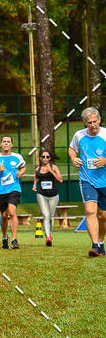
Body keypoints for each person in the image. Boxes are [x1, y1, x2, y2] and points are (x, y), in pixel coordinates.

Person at [68, 106, 106, 257]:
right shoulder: (79, 135)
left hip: (104, 180)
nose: (93, 125)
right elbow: (72, 149)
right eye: (89, 122)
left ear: (99, 120)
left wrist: (105, 160)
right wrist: (73, 158)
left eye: (95, 121)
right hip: (86, 179)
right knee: (90, 211)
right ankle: (95, 245)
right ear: (85, 123)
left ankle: (101, 242)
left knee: (103, 216)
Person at [0, 136, 26, 249]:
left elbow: (23, 167)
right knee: (4, 215)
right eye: (4, 142)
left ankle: (14, 239)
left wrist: (20, 173)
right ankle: (4, 238)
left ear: (12, 145)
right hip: (1, 191)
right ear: (1, 144)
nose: (6, 144)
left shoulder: (17, 157)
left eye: (8, 142)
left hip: (14, 189)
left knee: (12, 212)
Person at [32, 150, 62, 246]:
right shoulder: (38, 169)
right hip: (41, 194)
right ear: (41, 158)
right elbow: (36, 177)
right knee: (45, 215)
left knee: (51, 217)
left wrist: (51, 171)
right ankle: (48, 236)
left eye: (47, 157)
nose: (45, 158)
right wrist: (34, 185)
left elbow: (60, 180)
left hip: (53, 196)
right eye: (43, 157)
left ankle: (50, 233)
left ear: (50, 158)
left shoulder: (54, 167)